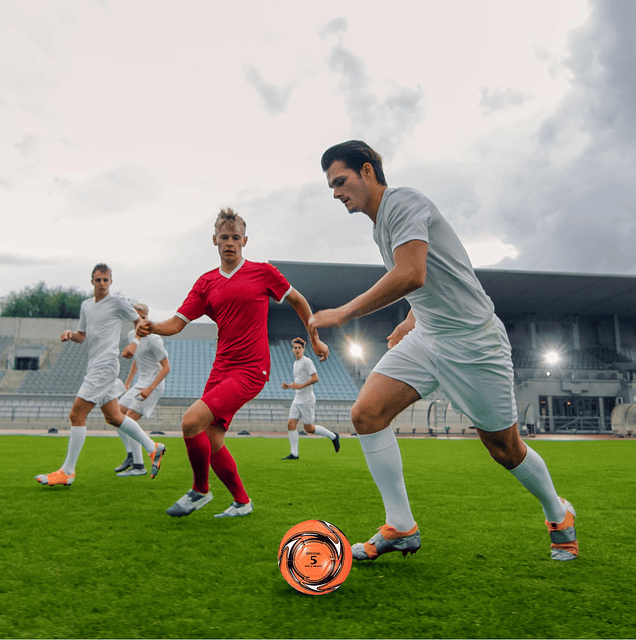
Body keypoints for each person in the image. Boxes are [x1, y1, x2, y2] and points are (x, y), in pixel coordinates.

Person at [311, 140, 577, 562]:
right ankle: (400, 527)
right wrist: (412, 319)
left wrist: (344, 312)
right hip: (428, 337)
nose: (337, 193)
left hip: (474, 343)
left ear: (367, 171)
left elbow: (412, 274)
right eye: (331, 187)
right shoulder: (381, 223)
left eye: (340, 181)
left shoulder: (403, 202)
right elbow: (439, 277)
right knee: (366, 413)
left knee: (504, 448)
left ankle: (558, 513)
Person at [136, 208, 329, 518]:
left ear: (245, 240)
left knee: (189, 422)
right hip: (221, 368)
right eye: (224, 237)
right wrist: (152, 326)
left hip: (252, 369)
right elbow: (177, 322)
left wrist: (315, 337)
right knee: (211, 441)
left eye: (235, 237)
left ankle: (200, 491)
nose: (230, 242)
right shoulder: (206, 283)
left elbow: (298, 300)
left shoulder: (263, 272)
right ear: (214, 240)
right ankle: (242, 502)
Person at [35, 264, 166, 487]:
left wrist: (134, 343)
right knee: (114, 417)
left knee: (76, 415)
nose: (102, 284)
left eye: (106, 280)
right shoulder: (86, 305)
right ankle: (153, 447)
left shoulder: (117, 302)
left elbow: (141, 323)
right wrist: (70, 334)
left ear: (111, 281)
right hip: (94, 365)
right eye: (98, 280)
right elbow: (82, 336)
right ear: (92, 281)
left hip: (105, 367)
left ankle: (67, 472)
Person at [115, 303, 171, 477]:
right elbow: (136, 360)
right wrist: (128, 382)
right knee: (115, 415)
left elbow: (166, 367)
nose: (139, 320)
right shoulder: (132, 335)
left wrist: (150, 388)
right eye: (136, 317)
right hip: (139, 383)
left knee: (130, 419)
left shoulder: (154, 338)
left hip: (153, 385)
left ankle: (139, 465)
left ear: (146, 317)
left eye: (142, 317)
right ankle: (132, 455)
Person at [281, 337, 339, 459]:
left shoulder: (307, 361)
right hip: (297, 399)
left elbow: (315, 378)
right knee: (291, 423)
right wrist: (289, 386)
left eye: (299, 348)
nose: (297, 350)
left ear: (303, 349)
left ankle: (333, 436)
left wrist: (300, 386)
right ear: (292, 350)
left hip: (307, 399)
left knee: (309, 429)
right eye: (295, 348)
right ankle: (294, 454)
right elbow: (299, 381)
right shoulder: (295, 363)